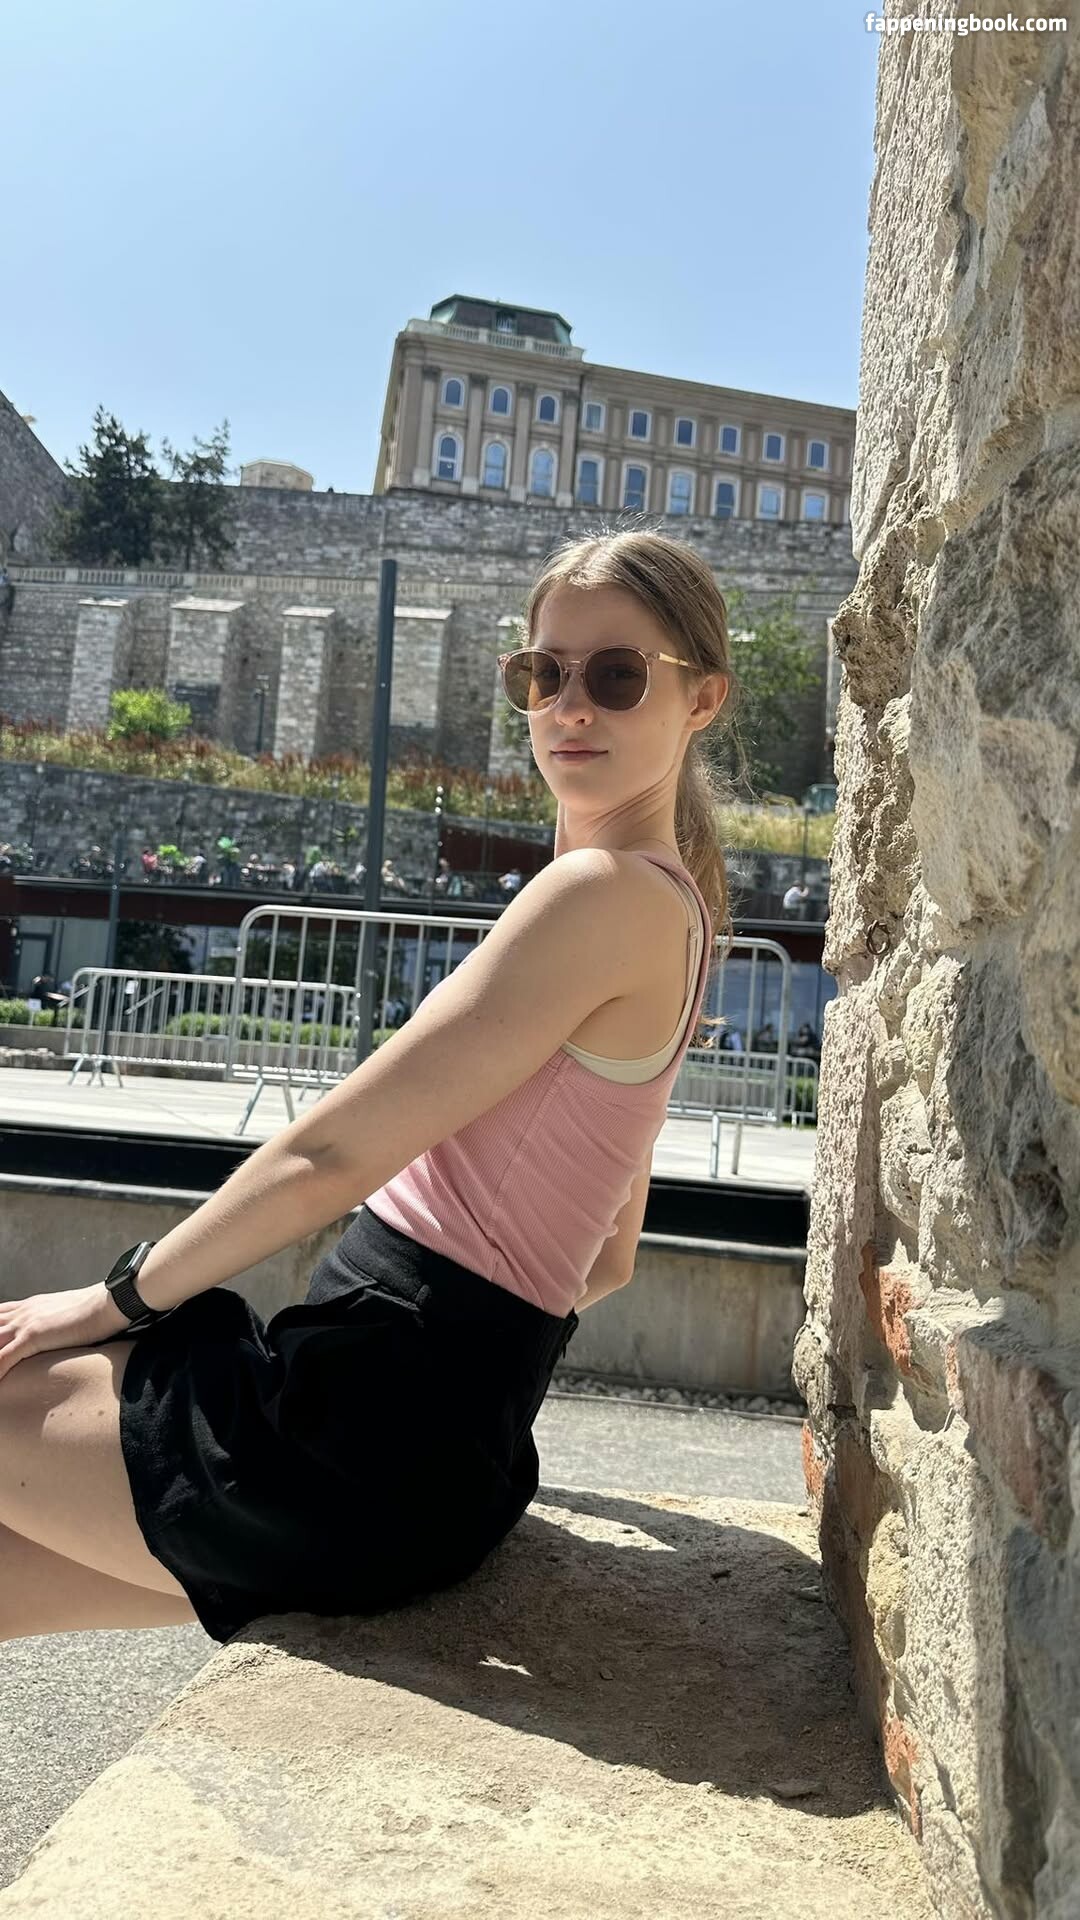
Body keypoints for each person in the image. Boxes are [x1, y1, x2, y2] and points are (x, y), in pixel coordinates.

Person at [0, 528, 734, 1646]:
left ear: (702, 700)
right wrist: (467, 1373)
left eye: (618, 675)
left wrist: (111, 1301)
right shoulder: (673, 911)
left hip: (353, 1446)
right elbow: (609, 1257)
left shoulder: (597, 892)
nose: (571, 705)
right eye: (544, 673)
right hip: (417, 1461)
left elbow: (328, 1156)